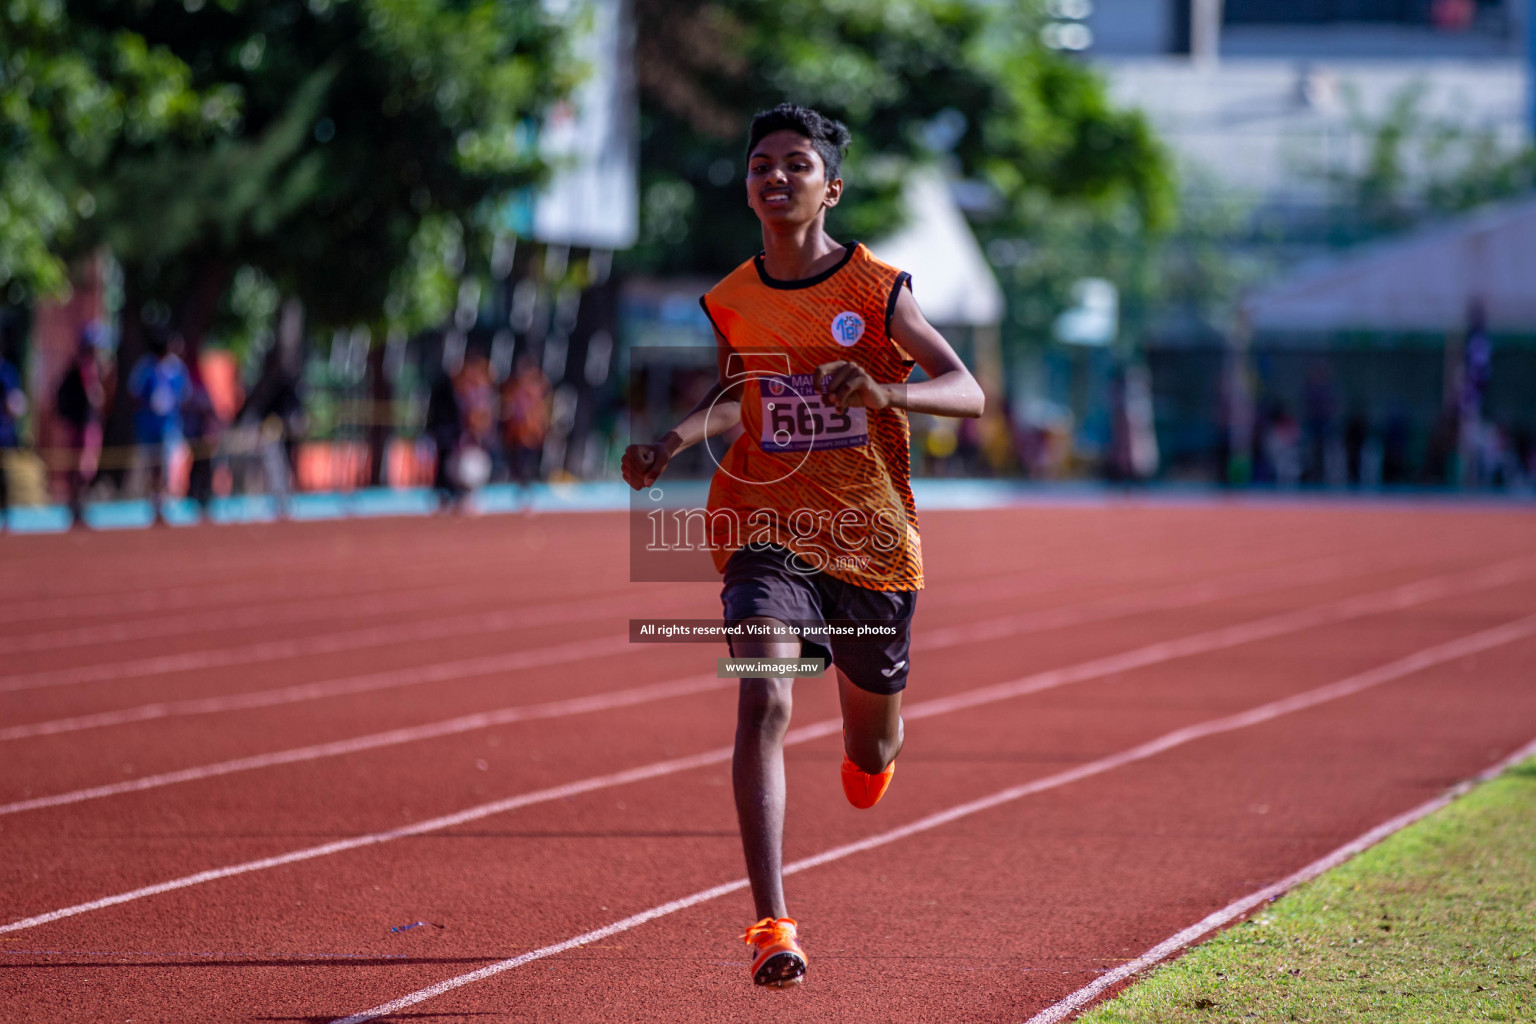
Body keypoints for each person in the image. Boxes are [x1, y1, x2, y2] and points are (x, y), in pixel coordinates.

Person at [621, 104, 983, 989]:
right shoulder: (732, 298)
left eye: (795, 164)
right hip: (763, 528)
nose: (775, 177)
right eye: (760, 166)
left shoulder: (878, 291)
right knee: (763, 700)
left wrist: (885, 396)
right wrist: (669, 442)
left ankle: (872, 754)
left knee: (872, 751)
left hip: (868, 542)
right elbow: (739, 394)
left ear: (832, 185)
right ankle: (772, 925)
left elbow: (967, 390)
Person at [127, 329, 190, 524]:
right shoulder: (146, 367)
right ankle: (154, 503)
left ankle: (162, 503)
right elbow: (134, 394)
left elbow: (185, 395)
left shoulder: (176, 368)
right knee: (150, 466)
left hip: (168, 426)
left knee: (164, 465)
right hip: (148, 426)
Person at [55, 326, 107, 528]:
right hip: (84, 424)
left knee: (82, 467)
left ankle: (77, 505)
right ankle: (77, 505)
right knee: (83, 467)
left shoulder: (81, 367)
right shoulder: (85, 368)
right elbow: (94, 396)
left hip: (84, 423)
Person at [0, 342, 26, 531]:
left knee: (3, 476)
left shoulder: (7, 372)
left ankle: (6, 514)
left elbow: (15, 404)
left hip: (3, 433)